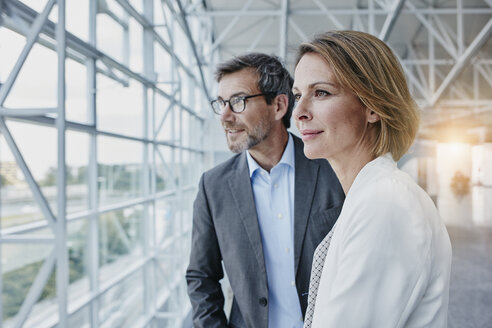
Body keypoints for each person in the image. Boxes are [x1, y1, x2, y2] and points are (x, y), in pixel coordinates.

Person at [292, 31, 452, 328]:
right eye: (298, 95)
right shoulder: (368, 197)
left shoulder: (385, 203)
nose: (299, 112)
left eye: (321, 93)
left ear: (373, 106)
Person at [186, 53, 345, 328]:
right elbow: (201, 277)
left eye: (238, 101)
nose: (224, 116)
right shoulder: (213, 187)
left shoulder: (332, 170)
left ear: (279, 105)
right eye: (222, 103)